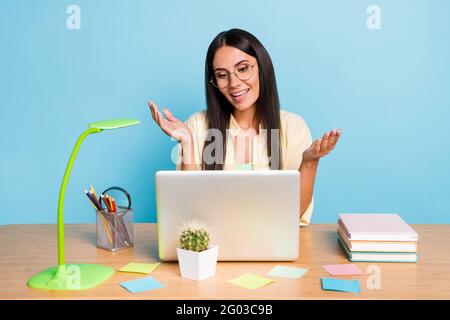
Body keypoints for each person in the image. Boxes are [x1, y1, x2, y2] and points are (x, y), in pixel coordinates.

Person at [148, 28, 341, 226]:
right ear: (214, 81)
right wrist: (187, 143)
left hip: (272, 245)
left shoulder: (293, 127)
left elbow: (292, 216)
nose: (234, 83)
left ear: (261, 68)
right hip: (213, 248)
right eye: (222, 75)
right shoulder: (196, 125)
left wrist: (310, 162)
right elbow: (190, 213)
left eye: (243, 69)